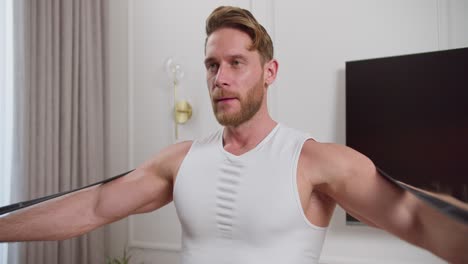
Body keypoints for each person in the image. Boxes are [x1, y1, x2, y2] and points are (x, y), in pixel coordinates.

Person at [1, 6, 467, 264]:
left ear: (270, 72)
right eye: (212, 65)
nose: (220, 77)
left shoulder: (315, 162)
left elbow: (419, 219)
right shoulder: (180, 161)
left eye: (236, 64)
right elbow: (91, 207)